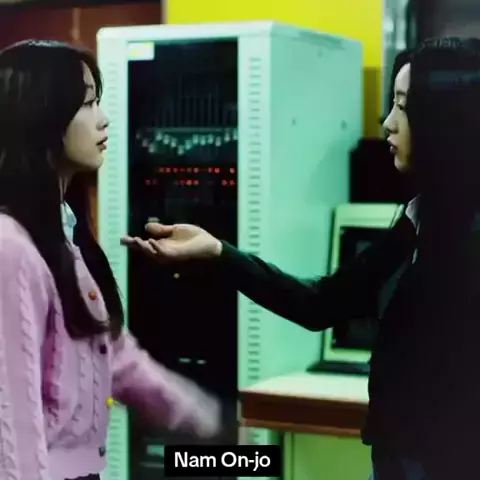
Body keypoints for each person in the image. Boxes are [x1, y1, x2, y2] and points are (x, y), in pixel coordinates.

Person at [122, 37, 480, 478]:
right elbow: (320, 303)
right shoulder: (418, 220)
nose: (387, 123)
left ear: (444, 120)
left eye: (403, 107)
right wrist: (217, 252)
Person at [0, 40, 222, 480]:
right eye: (87, 104)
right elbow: (13, 423)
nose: (103, 119)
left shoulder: (64, 233)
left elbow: (111, 355)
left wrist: (209, 419)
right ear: (40, 117)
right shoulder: (10, 248)